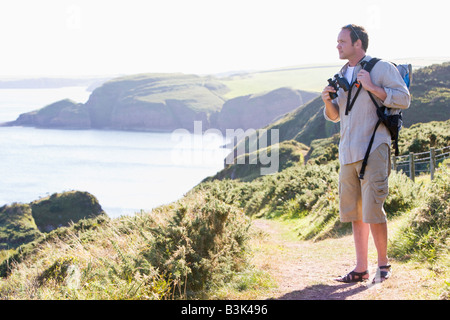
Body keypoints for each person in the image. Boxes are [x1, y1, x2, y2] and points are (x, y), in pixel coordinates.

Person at [322, 24, 410, 283]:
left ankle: (383, 265)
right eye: (337, 42)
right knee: (355, 212)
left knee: (373, 208)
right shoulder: (341, 73)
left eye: (342, 41)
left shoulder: (381, 68)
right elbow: (336, 116)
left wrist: (371, 86)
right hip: (347, 151)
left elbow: (403, 99)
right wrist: (327, 101)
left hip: (374, 146)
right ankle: (361, 268)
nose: (338, 45)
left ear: (357, 43)